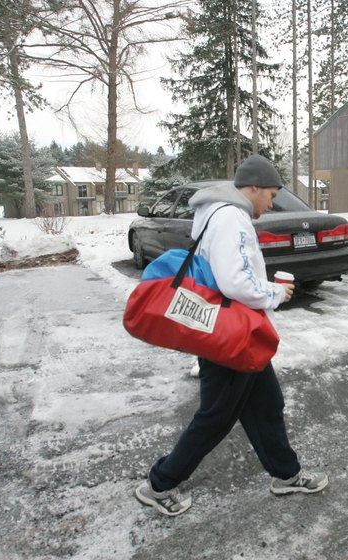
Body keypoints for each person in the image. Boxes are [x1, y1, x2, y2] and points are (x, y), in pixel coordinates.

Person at [135, 154, 328, 517]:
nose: (271, 203)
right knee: (215, 417)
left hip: (236, 334)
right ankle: (159, 484)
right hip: (229, 338)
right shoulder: (231, 217)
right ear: (253, 187)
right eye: (270, 194)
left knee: (267, 406)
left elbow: (231, 273)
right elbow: (234, 280)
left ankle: (286, 475)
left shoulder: (223, 214)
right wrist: (274, 293)